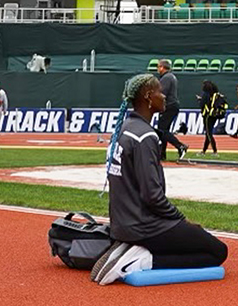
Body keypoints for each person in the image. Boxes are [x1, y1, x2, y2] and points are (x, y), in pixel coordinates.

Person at [90, 74, 228, 285]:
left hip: (122, 224)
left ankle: (129, 247)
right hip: (143, 226)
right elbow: (152, 196)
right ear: (147, 96)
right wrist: (181, 220)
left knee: (193, 236)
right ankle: (144, 259)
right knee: (217, 252)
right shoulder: (145, 136)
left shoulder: (124, 129)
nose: (164, 96)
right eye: (159, 91)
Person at [156, 60, 189, 160]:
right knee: (163, 131)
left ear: (162, 67)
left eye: (158, 67)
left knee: (162, 131)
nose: (157, 69)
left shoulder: (166, 78)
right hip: (172, 106)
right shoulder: (171, 76)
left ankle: (180, 146)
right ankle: (162, 154)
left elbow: (161, 93)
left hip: (168, 106)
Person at [198, 80, 222, 156]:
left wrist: (200, 100)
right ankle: (204, 151)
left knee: (209, 133)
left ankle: (215, 151)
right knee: (208, 133)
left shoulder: (206, 94)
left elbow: (202, 104)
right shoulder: (216, 94)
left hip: (207, 115)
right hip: (214, 115)